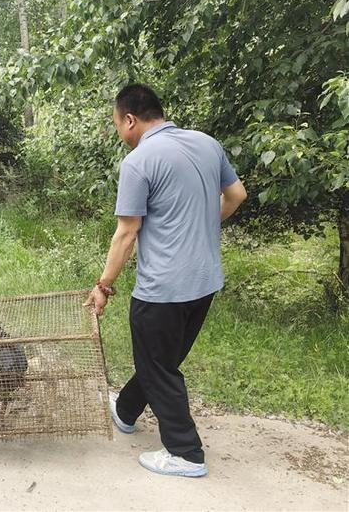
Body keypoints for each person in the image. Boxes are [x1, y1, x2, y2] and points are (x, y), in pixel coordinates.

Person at [85, 84, 247, 477]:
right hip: (205, 280)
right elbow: (237, 194)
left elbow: (126, 232)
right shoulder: (207, 143)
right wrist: (201, 226)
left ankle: (186, 452)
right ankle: (125, 411)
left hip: (163, 288)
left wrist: (103, 285)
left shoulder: (139, 162)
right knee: (162, 358)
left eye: (118, 126)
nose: (121, 135)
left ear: (130, 119)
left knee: (160, 366)